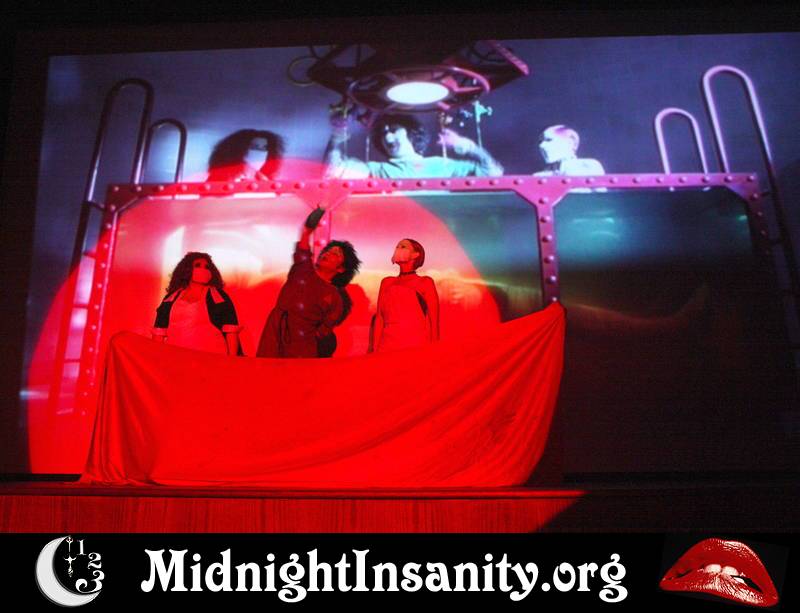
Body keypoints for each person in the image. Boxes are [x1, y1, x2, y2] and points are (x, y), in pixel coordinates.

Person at [256, 208, 361, 358]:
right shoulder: (303, 270)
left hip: (302, 347)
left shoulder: (335, 299)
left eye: (336, 254)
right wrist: (308, 229)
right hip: (274, 337)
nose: (328, 253)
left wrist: (303, 330)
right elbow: (304, 245)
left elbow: (324, 330)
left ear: (341, 269)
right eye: (329, 250)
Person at [324, 113, 503, 178]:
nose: (388, 136)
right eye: (383, 133)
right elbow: (333, 171)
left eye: (394, 130)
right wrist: (337, 135)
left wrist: (466, 146)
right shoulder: (376, 170)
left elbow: (492, 172)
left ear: (411, 133)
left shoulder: (440, 165)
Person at [152, 252, 241, 355]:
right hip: (175, 356)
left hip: (211, 357)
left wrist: (231, 359)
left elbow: (231, 330)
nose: (203, 269)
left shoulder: (218, 297)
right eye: (198, 265)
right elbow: (159, 333)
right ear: (187, 269)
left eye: (207, 267)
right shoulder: (170, 299)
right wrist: (156, 356)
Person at [372, 238, 440, 353]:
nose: (398, 249)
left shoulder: (425, 282)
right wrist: (374, 349)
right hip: (387, 344)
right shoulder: (386, 282)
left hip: (414, 344)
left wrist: (435, 351)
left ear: (416, 255)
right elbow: (379, 318)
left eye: (403, 246)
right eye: (397, 246)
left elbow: (434, 322)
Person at [206, 129, 284, 182]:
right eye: (254, 147)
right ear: (239, 150)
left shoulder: (266, 182)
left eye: (264, 148)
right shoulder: (222, 179)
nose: (259, 152)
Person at [534, 124, 605, 177]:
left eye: (549, 140)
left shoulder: (589, 165)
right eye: (540, 142)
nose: (541, 145)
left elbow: (601, 192)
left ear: (570, 142)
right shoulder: (541, 175)